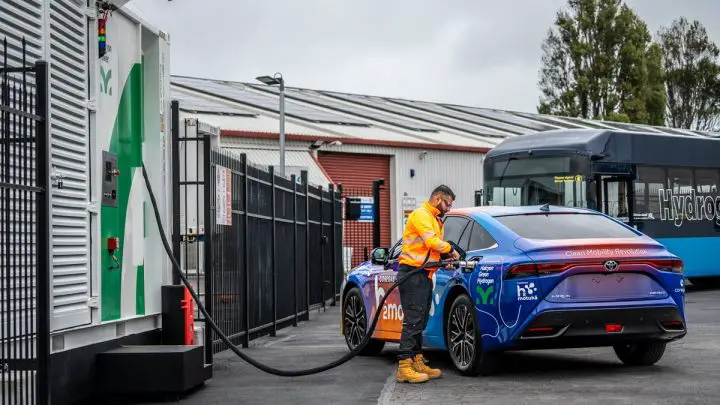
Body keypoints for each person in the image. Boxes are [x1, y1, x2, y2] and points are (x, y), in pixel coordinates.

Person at [395, 185, 460, 384]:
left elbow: (429, 251)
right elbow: (432, 242)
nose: (448, 208)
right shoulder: (421, 215)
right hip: (412, 274)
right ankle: (404, 367)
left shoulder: (435, 219)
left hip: (423, 275)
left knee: (421, 320)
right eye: (447, 204)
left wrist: (444, 261)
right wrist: (451, 248)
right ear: (438, 198)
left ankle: (416, 360)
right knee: (413, 320)